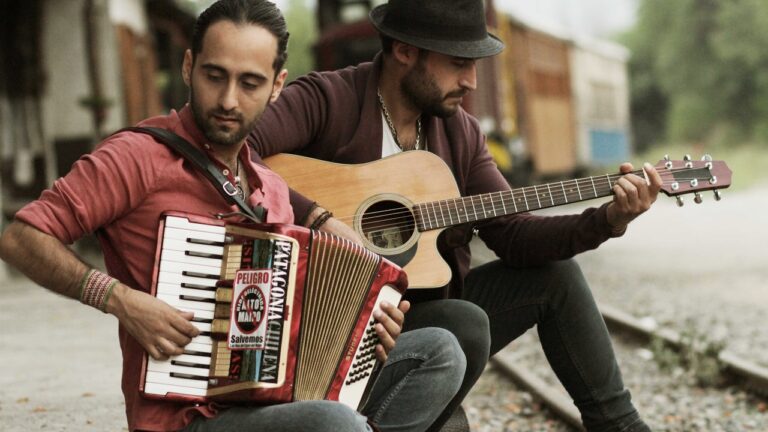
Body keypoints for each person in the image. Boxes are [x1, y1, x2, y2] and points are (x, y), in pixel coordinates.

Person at [0, 1, 467, 431]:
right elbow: (22, 237)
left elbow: (297, 327)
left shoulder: (270, 190)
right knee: (333, 425)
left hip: (279, 401)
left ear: (276, 86)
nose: (228, 100)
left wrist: (366, 338)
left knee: (441, 352)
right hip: (188, 416)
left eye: (249, 83)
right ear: (188, 67)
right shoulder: (136, 157)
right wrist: (119, 299)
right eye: (214, 75)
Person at [247, 0, 662, 431]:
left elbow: (513, 234)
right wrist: (317, 218)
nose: (471, 80)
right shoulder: (327, 99)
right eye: (459, 64)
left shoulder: (459, 132)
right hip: (323, 327)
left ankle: (622, 426)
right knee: (462, 323)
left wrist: (608, 219)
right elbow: (239, 154)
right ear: (405, 51)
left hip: (413, 323)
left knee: (556, 278)